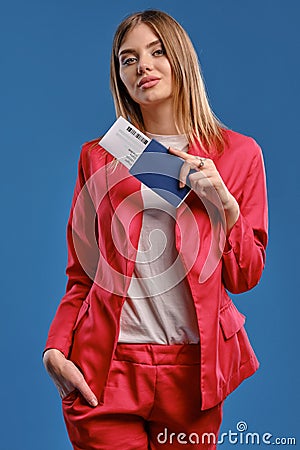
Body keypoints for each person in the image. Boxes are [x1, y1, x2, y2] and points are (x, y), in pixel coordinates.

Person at [43, 9, 268, 450]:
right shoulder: (98, 157)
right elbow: (81, 274)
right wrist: (54, 349)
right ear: (120, 77)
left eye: (156, 51)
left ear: (181, 59)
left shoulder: (239, 155)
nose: (142, 66)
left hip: (192, 373)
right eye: (128, 59)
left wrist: (226, 206)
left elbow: (245, 276)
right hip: (105, 368)